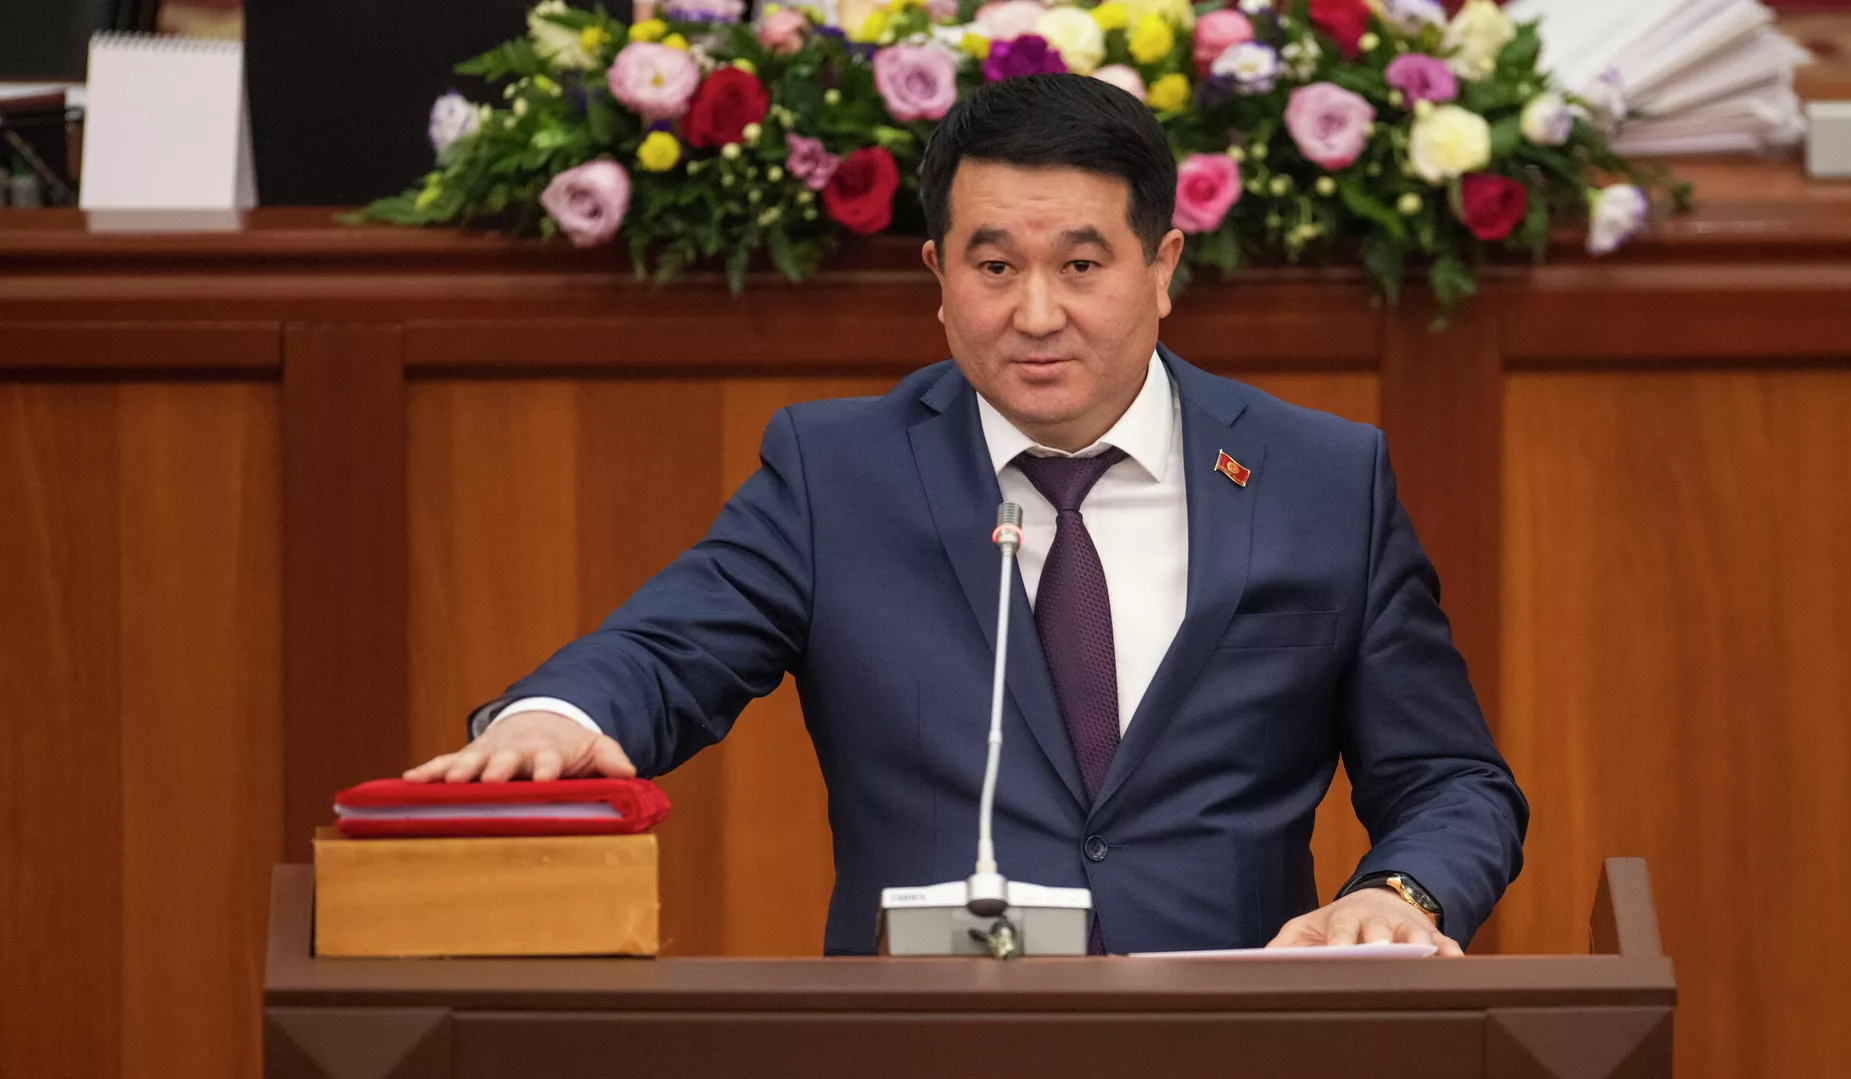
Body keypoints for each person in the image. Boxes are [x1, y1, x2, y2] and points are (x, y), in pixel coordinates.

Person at [405, 73, 1527, 956]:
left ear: (1162, 267)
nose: (1036, 313)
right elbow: (664, 650)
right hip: (928, 1038)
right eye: (994, 266)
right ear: (939, 275)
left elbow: (1450, 777)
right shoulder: (837, 474)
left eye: (1081, 264)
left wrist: (1398, 892)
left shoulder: (1319, 476)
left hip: (1228, 1040)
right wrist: (551, 716)